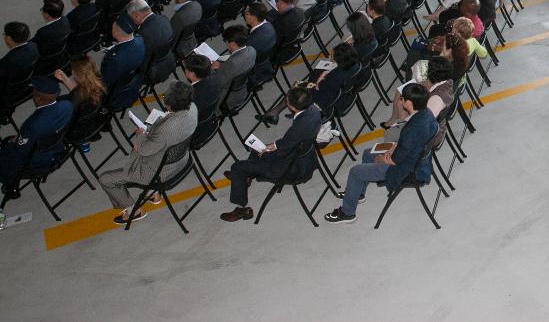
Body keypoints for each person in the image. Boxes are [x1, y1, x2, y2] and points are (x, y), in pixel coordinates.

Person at [324, 82, 439, 223]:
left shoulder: (412, 130)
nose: (400, 100)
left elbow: (394, 161)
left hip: (407, 169)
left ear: (408, 103)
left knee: (356, 171)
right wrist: (395, 146)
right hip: (415, 158)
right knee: (368, 153)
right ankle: (358, 193)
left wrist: (380, 159)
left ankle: (347, 213)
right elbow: (408, 145)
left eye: (402, 98)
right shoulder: (426, 114)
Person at [97, 81, 198, 224]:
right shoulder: (193, 108)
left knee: (106, 179)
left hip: (159, 172)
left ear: (170, 104)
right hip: (181, 160)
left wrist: (141, 134)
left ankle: (134, 211)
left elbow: (144, 150)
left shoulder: (166, 130)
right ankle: (153, 194)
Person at [220, 86, 322, 222]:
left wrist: (266, 153)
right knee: (258, 148)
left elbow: (283, 150)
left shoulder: (298, 128)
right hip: (305, 159)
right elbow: (287, 143)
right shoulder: (314, 110)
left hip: (290, 168)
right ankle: (247, 178)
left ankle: (242, 209)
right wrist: (272, 146)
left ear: (291, 106)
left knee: (237, 167)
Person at [0, 76, 72, 191]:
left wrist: (11, 142)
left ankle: (11, 185)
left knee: (7, 149)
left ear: (38, 99)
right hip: (57, 150)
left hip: (39, 162)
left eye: (33, 92)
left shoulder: (32, 125)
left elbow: (21, 153)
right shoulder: (67, 106)